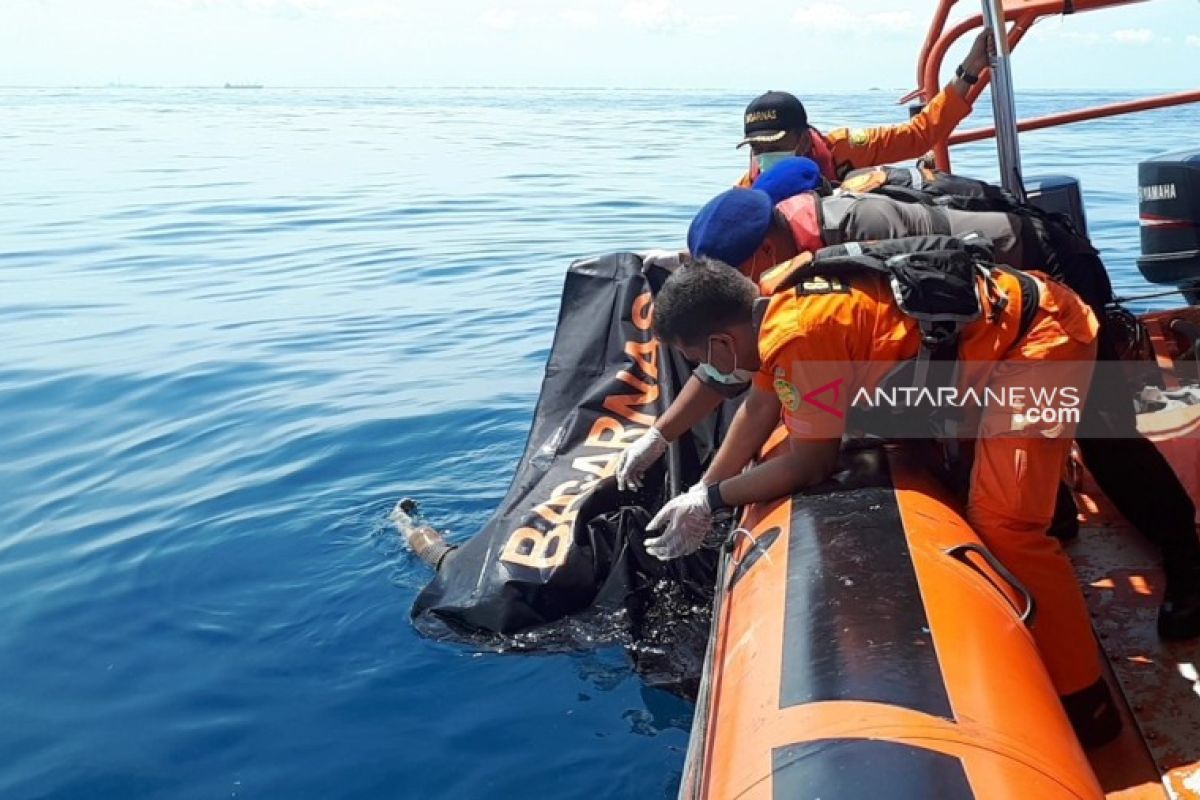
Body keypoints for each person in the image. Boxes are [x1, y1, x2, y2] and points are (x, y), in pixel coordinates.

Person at [630, 159, 1200, 639]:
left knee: (1100, 436)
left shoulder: (857, 233)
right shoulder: (780, 288)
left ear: (759, 256)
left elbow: (941, 292)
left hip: (1033, 279)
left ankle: (1185, 557)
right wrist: (668, 444)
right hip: (977, 332)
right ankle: (1054, 513)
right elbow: (754, 384)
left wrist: (713, 498)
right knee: (996, 448)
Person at [642, 252, 1120, 746]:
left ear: (722, 342)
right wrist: (700, 489)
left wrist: (713, 500)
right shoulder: (775, 311)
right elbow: (762, 403)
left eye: (700, 359)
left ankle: (1087, 700)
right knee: (1002, 489)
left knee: (1007, 525)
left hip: (1040, 342)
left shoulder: (801, 336)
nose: (704, 370)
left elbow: (811, 464)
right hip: (1001, 336)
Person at [736, 29, 994, 186]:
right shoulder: (749, 190)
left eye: (775, 146)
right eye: (758, 148)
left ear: (803, 141)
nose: (765, 157)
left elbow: (918, 135)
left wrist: (970, 69)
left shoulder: (846, 150)